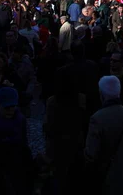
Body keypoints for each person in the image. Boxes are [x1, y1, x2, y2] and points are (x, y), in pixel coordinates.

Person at [0, 87, 33, 195]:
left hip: (18, 168)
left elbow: (24, 144)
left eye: (13, 106)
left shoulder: (20, 121)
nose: (11, 110)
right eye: (7, 107)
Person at [44, 65, 85, 193]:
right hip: (76, 144)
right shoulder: (81, 99)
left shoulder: (52, 102)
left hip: (58, 147)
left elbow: (48, 127)